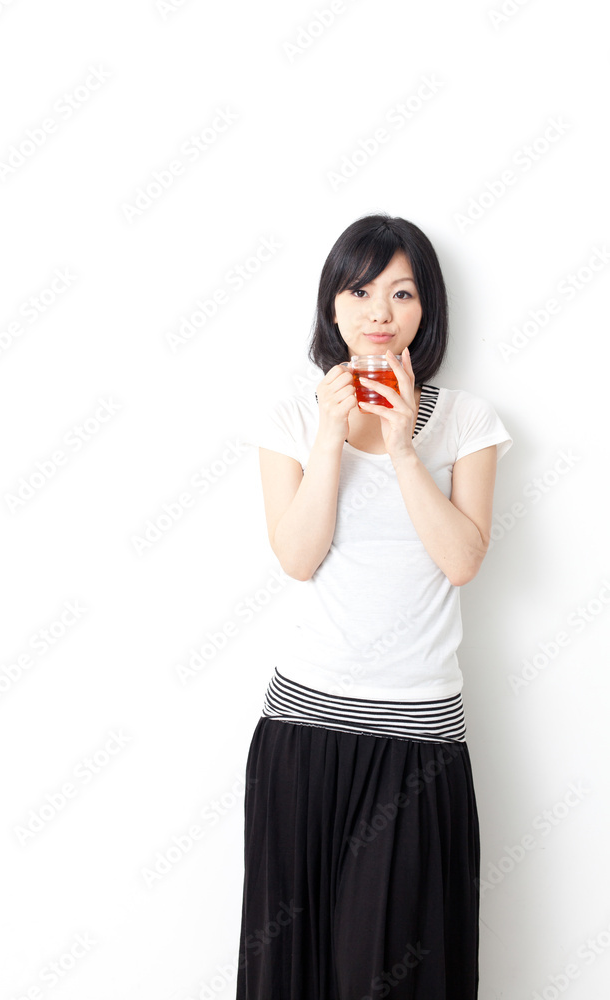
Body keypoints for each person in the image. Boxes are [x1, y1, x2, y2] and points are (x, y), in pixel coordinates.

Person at [234, 213, 512, 1000]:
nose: (378, 312)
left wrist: (398, 446)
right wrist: (329, 437)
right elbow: (297, 556)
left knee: (395, 972)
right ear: (332, 306)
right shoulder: (291, 419)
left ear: (427, 311)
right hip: (301, 728)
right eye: (358, 291)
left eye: (400, 292)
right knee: (294, 972)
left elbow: (461, 560)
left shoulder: (464, 421)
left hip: (415, 740)